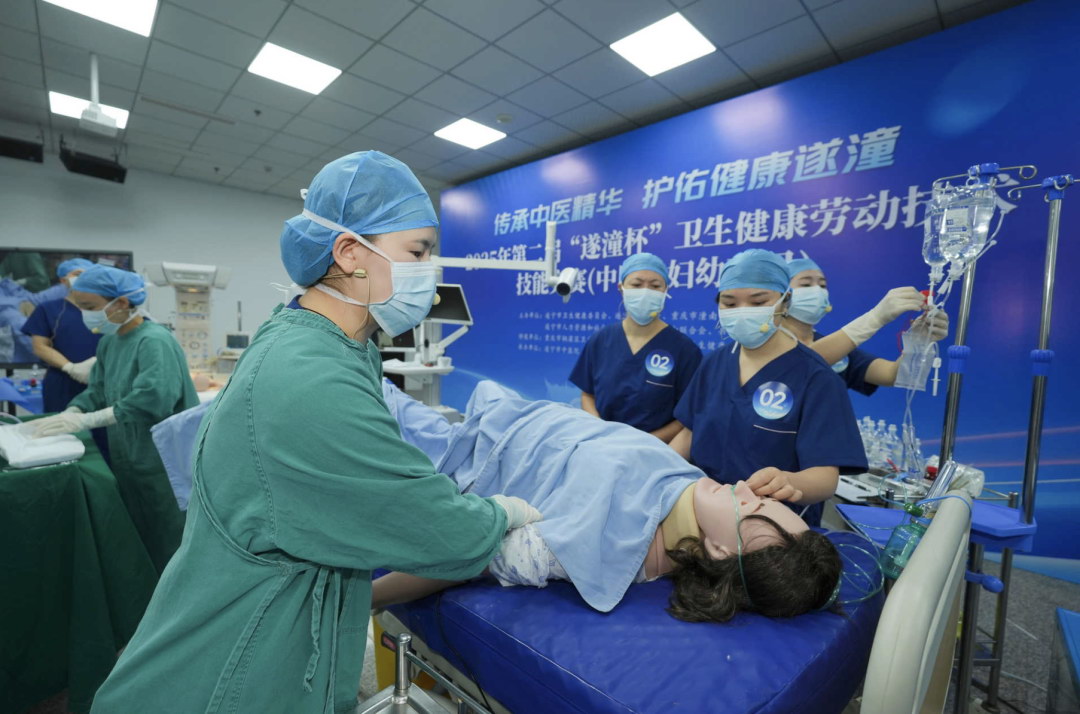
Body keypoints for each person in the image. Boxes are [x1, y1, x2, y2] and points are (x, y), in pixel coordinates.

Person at [88, 152, 540, 714]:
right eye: (418, 252)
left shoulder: (333, 343)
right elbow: (442, 532)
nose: (430, 269)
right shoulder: (310, 375)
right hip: (233, 669)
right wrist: (504, 514)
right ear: (350, 253)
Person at [371, 380, 843, 622]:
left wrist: (367, 599)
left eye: (752, 507)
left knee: (372, 392)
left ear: (720, 551)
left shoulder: (603, 547)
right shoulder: (693, 488)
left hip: (467, 452)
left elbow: (465, 550)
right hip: (514, 416)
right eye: (762, 495)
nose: (742, 487)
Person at [669, 250, 867, 526]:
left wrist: (789, 481)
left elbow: (825, 478)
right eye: (729, 303)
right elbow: (689, 433)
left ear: (786, 301)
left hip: (773, 528)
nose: (742, 311)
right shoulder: (715, 362)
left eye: (758, 302)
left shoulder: (815, 377)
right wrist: (661, 468)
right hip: (702, 515)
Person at [32, 265, 197, 573]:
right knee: (142, 537)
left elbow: (155, 398)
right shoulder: (109, 341)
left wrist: (90, 421)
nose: (85, 315)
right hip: (129, 458)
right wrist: (74, 411)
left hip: (163, 463)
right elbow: (98, 390)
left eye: (89, 307)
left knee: (171, 539)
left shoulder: (154, 341)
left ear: (121, 302)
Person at [569, 252, 701, 443]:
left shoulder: (685, 350)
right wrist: (600, 431)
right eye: (637, 285)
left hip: (655, 449)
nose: (645, 292)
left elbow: (686, 415)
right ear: (621, 288)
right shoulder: (601, 340)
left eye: (655, 286)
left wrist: (642, 443)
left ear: (665, 290)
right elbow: (588, 394)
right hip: (601, 444)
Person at [782, 257, 949, 394]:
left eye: (823, 285)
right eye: (805, 284)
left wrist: (919, 342)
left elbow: (892, 375)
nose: (818, 291)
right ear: (782, 294)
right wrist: (875, 317)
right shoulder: (770, 341)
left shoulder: (839, 348)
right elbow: (801, 365)